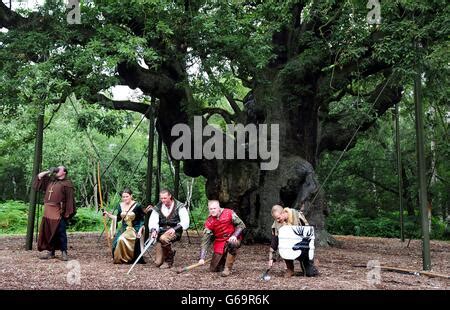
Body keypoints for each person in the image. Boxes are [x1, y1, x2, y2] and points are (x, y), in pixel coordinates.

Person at [33, 166, 76, 261]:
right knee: (49, 232)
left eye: (59, 169)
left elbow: (70, 200)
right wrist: (49, 171)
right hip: (48, 211)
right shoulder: (51, 181)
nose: (56, 170)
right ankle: (51, 252)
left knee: (61, 232)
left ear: (64, 172)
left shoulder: (67, 183)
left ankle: (64, 252)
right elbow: (39, 176)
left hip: (58, 211)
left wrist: (66, 212)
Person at [198, 200, 246, 277]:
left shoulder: (229, 213)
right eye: (211, 209)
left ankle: (227, 269)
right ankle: (224, 258)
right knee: (214, 269)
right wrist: (202, 258)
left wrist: (234, 235)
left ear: (219, 208)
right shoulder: (209, 222)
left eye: (214, 208)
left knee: (232, 244)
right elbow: (205, 241)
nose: (213, 210)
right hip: (220, 243)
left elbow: (241, 225)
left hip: (233, 238)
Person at [269, 204, 319, 277]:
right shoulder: (276, 223)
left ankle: (312, 263)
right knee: (284, 246)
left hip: (302, 247)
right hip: (288, 247)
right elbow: (274, 241)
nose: (277, 220)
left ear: (283, 213)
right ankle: (290, 269)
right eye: (275, 219)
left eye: (278, 218)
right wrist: (271, 258)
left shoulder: (297, 216)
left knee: (310, 273)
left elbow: (308, 235)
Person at [148, 189, 189, 269]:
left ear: (170, 196)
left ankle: (169, 260)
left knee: (164, 238)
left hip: (174, 231)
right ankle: (170, 252)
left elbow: (185, 222)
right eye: (161, 198)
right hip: (161, 234)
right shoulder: (158, 207)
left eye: (165, 198)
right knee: (157, 263)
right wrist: (154, 231)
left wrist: (175, 229)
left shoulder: (179, 206)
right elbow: (153, 221)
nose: (163, 200)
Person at [103, 188, 146, 264]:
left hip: (134, 228)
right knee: (117, 240)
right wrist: (108, 215)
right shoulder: (120, 205)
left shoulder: (137, 205)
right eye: (123, 197)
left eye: (127, 196)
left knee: (122, 239)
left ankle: (128, 258)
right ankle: (119, 259)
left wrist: (140, 230)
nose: (125, 198)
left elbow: (141, 219)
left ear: (131, 196)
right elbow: (118, 218)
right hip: (124, 228)